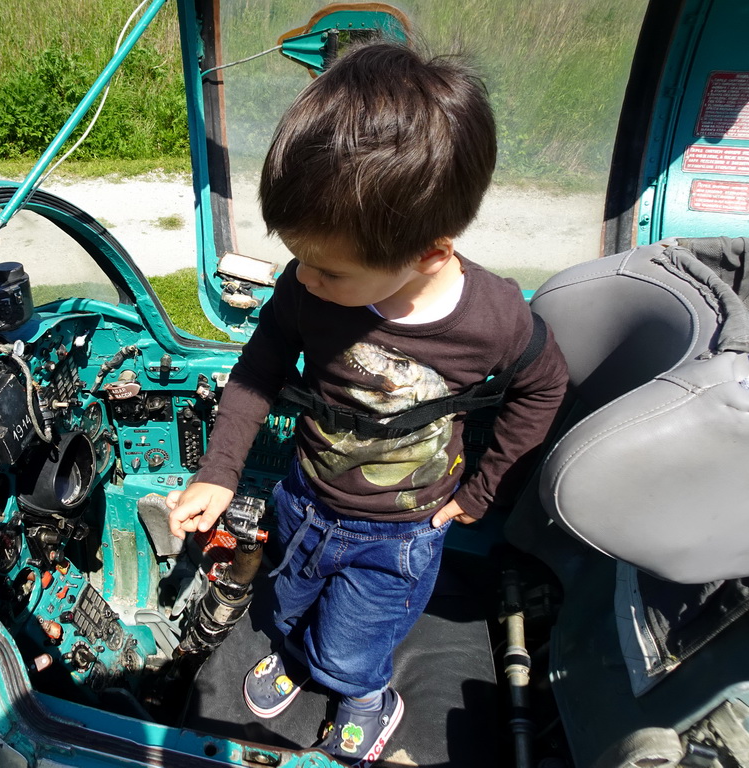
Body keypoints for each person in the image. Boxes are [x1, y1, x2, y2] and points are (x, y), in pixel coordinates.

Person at [167, 42, 568, 766]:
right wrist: (222, 467)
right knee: (288, 606)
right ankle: (299, 658)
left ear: (430, 254)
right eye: (298, 257)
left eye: (330, 270)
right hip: (307, 497)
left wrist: (485, 489)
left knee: (357, 642)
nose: (303, 278)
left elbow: (543, 387)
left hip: (400, 530)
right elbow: (260, 364)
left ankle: (366, 696)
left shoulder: (494, 318)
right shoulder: (307, 285)